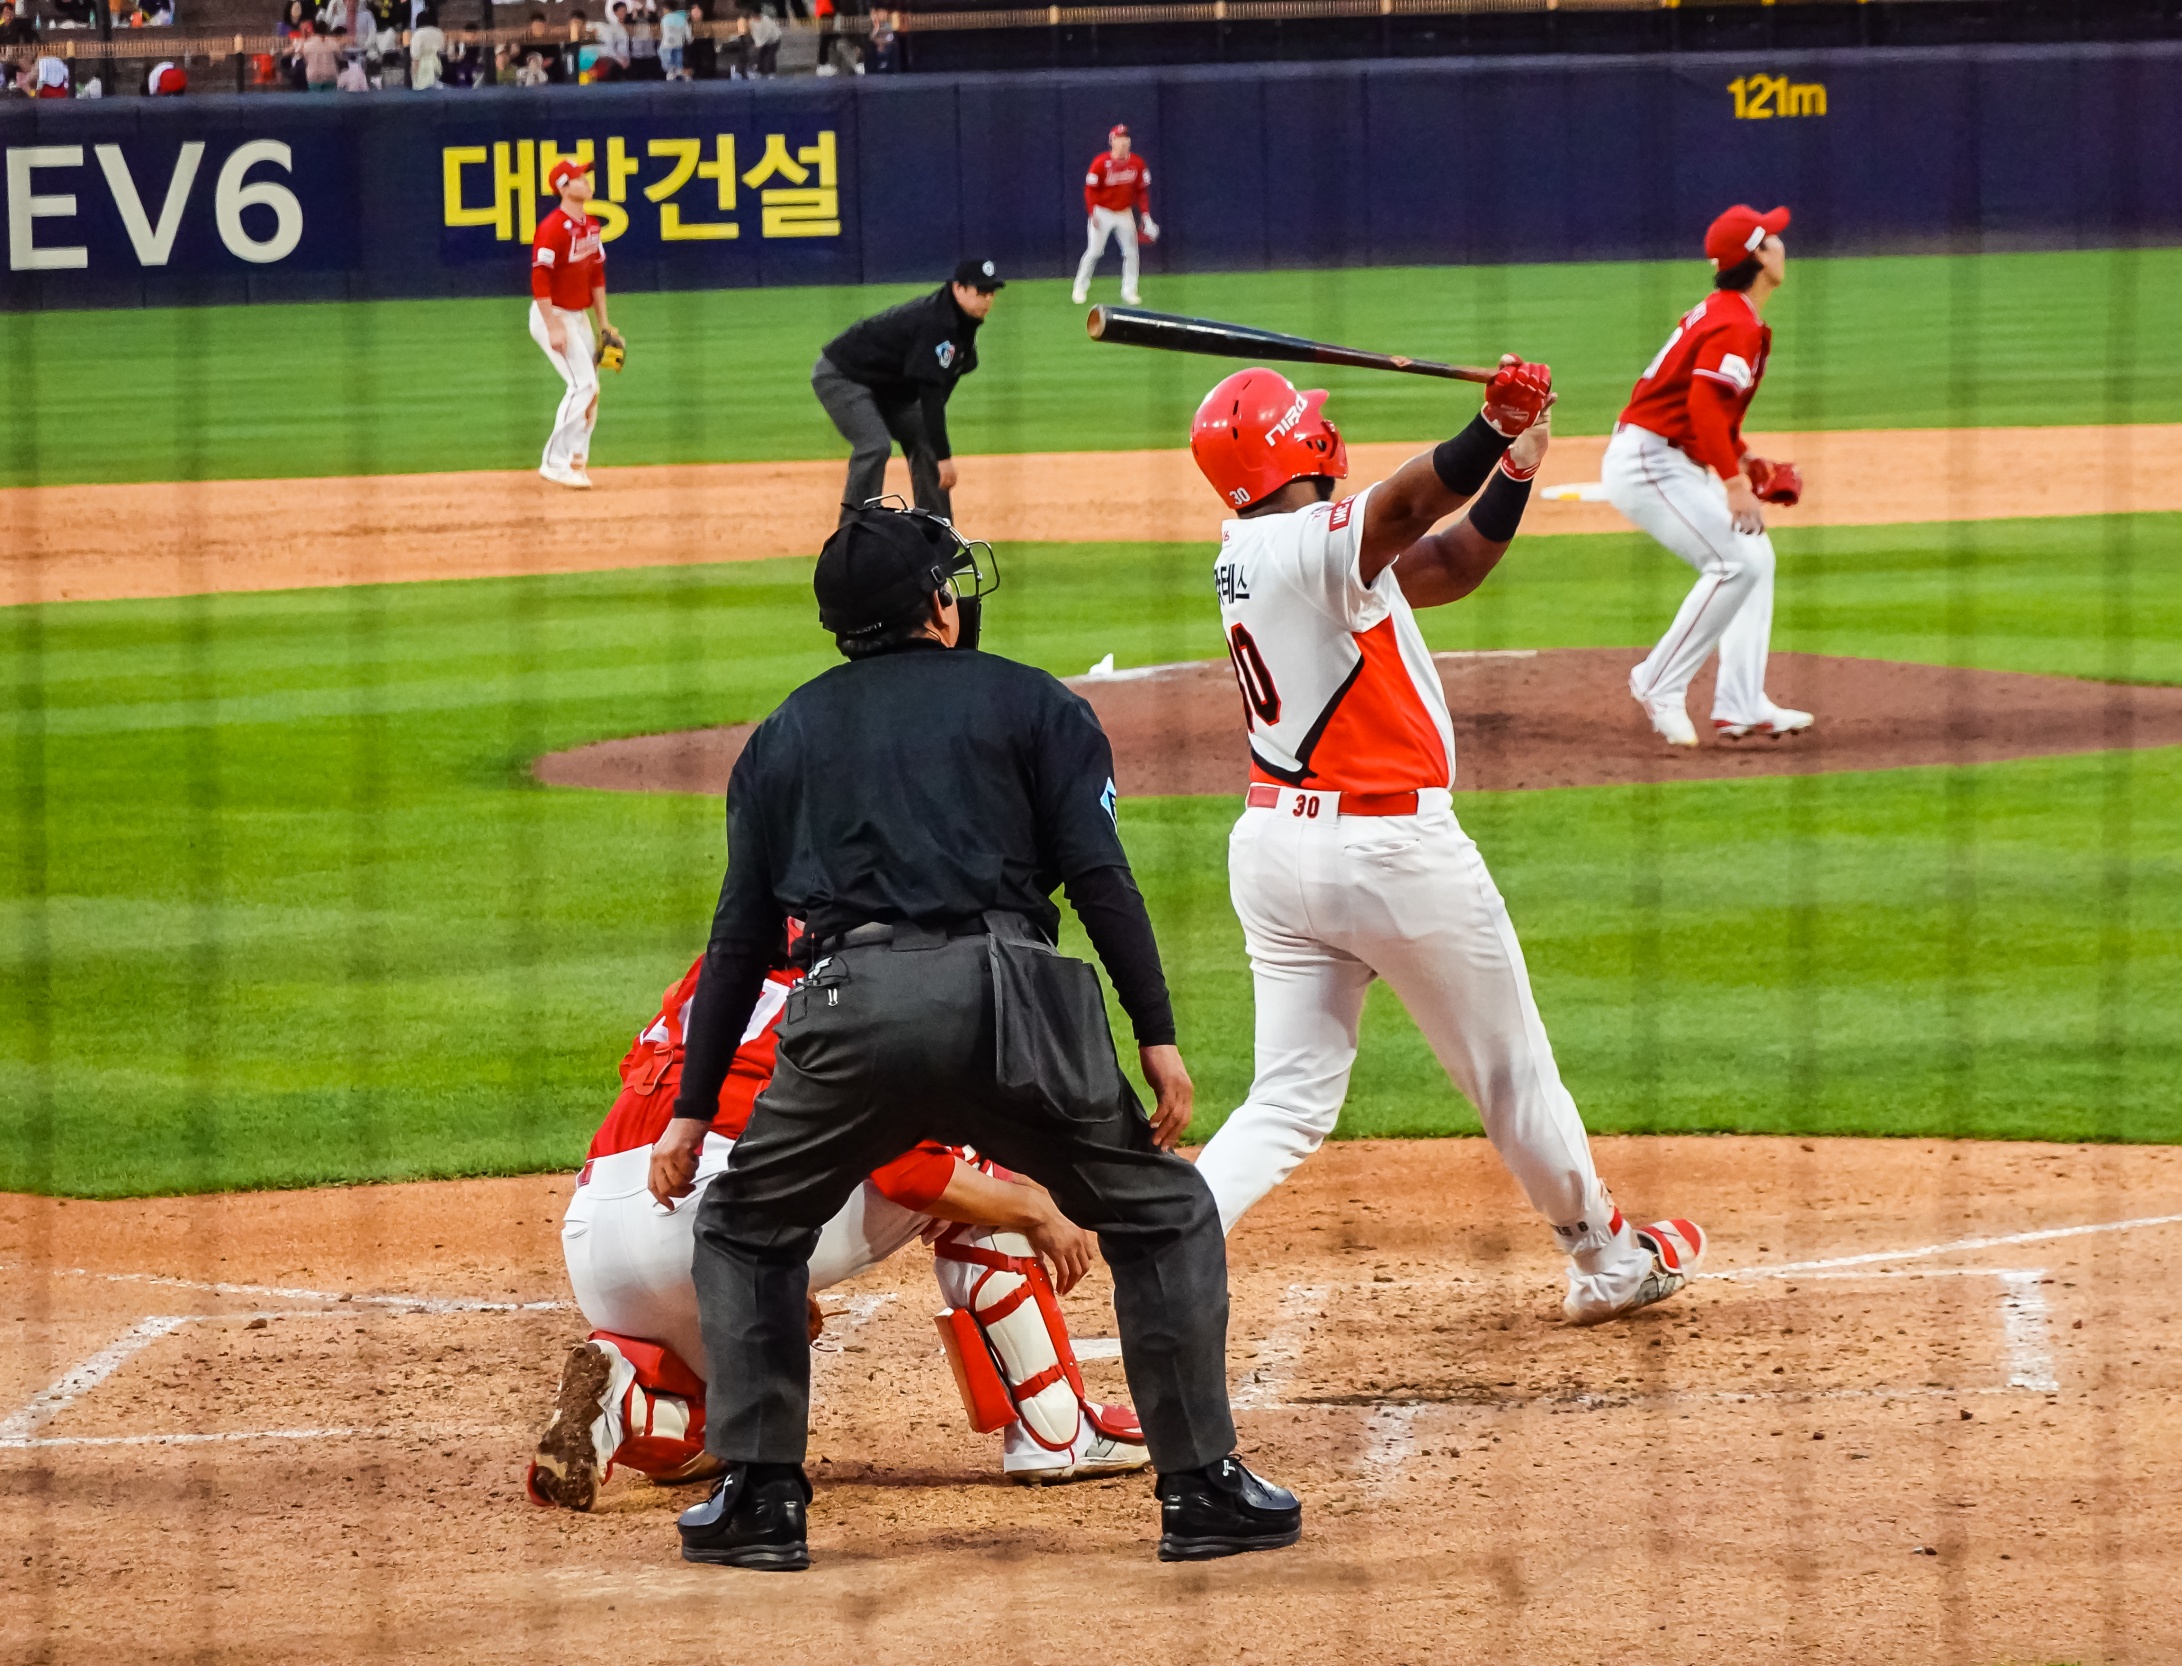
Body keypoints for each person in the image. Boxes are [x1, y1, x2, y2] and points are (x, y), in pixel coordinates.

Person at [659, 503, 1296, 1572]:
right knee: (1163, 1213)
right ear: (937, 607)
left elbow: (737, 942)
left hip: (852, 1011)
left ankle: (761, 1500)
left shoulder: (783, 735)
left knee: (743, 1226)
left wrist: (691, 1111)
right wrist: (1156, 1032)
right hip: (1017, 1007)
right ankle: (1200, 1492)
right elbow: (1098, 878)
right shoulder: (1035, 703)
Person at [1183, 359, 1710, 1327]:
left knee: (1285, 1101)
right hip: (1389, 854)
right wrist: (1489, 424)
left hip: (1276, 852)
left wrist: (1513, 467)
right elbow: (1407, 503)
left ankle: (1163, 1252)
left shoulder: (1265, 552)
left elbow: (1449, 563)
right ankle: (1607, 1259)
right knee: (1510, 1070)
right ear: (1295, 445)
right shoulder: (1309, 543)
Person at [524, 952, 1151, 1511]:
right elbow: (909, 1173)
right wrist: (1037, 1208)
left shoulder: (717, 968)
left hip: (596, 1241)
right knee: (974, 1159)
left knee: (716, 1437)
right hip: (711, 1216)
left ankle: (626, 1404)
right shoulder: (858, 981)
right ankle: (1056, 1429)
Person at [1600, 203, 1814, 745]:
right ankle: (1657, 682)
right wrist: (1735, 484)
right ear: (1757, 256)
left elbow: (1702, 409)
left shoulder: (1728, 311)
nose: (1783, 246)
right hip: (1649, 461)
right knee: (1734, 562)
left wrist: (1744, 458)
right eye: (1773, 239)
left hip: (1667, 456)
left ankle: (1742, 703)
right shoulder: (1734, 322)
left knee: (1756, 558)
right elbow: (1701, 406)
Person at [810, 258, 997, 526]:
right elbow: (931, 393)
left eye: (991, 292)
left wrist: (933, 439)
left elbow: (943, 386)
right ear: (958, 288)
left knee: (926, 436)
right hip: (842, 374)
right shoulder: (936, 322)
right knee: (874, 445)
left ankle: (936, 531)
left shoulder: (963, 322)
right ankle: (853, 531)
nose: (987, 299)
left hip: (885, 384)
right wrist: (944, 458)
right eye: (981, 291)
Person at [527, 159, 622, 489]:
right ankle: (553, 462)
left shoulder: (591, 226)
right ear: (564, 188)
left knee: (592, 390)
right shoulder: (552, 228)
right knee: (583, 385)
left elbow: (596, 275)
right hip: (552, 315)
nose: (587, 181)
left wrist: (604, 324)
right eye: (579, 178)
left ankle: (575, 462)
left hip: (578, 316)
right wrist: (552, 325)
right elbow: (540, 278)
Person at [1071, 124, 1156, 308]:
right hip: (1102, 212)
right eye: (1119, 138)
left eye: (1125, 138)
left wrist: (1146, 215)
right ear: (1112, 142)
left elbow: (1142, 191)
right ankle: (1079, 287)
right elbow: (1090, 190)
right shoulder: (1100, 163)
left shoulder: (1137, 163)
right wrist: (1092, 212)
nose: (1123, 142)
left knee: (1131, 253)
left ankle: (1129, 291)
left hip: (1124, 212)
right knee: (1094, 251)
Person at [657, 0, 687, 76]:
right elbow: (686, 30)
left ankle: (671, 71)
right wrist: (689, 39)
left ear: (666, 8)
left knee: (663, 55)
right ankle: (678, 70)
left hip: (667, 43)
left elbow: (664, 32)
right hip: (679, 42)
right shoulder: (682, 18)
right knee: (678, 58)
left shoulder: (665, 19)